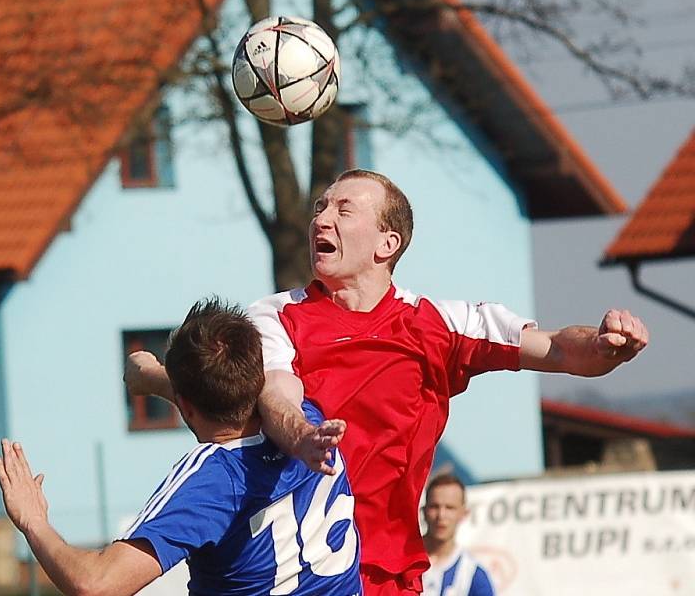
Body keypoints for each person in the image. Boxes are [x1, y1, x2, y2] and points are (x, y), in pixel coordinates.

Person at [126, 168, 649, 595]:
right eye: (320, 208)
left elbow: (560, 348)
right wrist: (301, 436)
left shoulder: (442, 324)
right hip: (297, 579)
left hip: (390, 578)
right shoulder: (277, 316)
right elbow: (276, 389)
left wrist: (605, 346)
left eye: (342, 209)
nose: (321, 219)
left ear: (387, 242)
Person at [0, 298, 361, 596]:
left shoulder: (213, 479)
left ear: (184, 405)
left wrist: (34, 523)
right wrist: (155, 377)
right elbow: (241, 398)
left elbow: (96, 585)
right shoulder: (309, 424)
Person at [421, 475, 494, 596]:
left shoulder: (472, 574)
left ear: (464, 513)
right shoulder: (401, 563)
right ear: (423, 511)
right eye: (434, 507)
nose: (441, 516)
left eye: (450, 508)